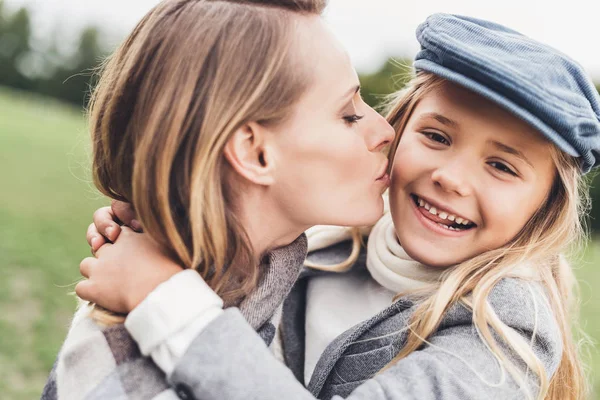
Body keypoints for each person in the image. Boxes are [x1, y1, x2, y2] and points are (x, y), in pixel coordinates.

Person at [79, 14, 600, 400]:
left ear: (545, 205)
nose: (450, 176)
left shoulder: (504, 334)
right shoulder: (321, 250)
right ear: (399, 126)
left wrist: (164, 298)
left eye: (502, 167)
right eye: (437, 136)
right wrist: (166, 238)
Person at [40, 0, 396, 398]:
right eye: (348, 115)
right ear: (254, 153)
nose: (385, 130)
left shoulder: (265, 281)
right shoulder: (124, 378)